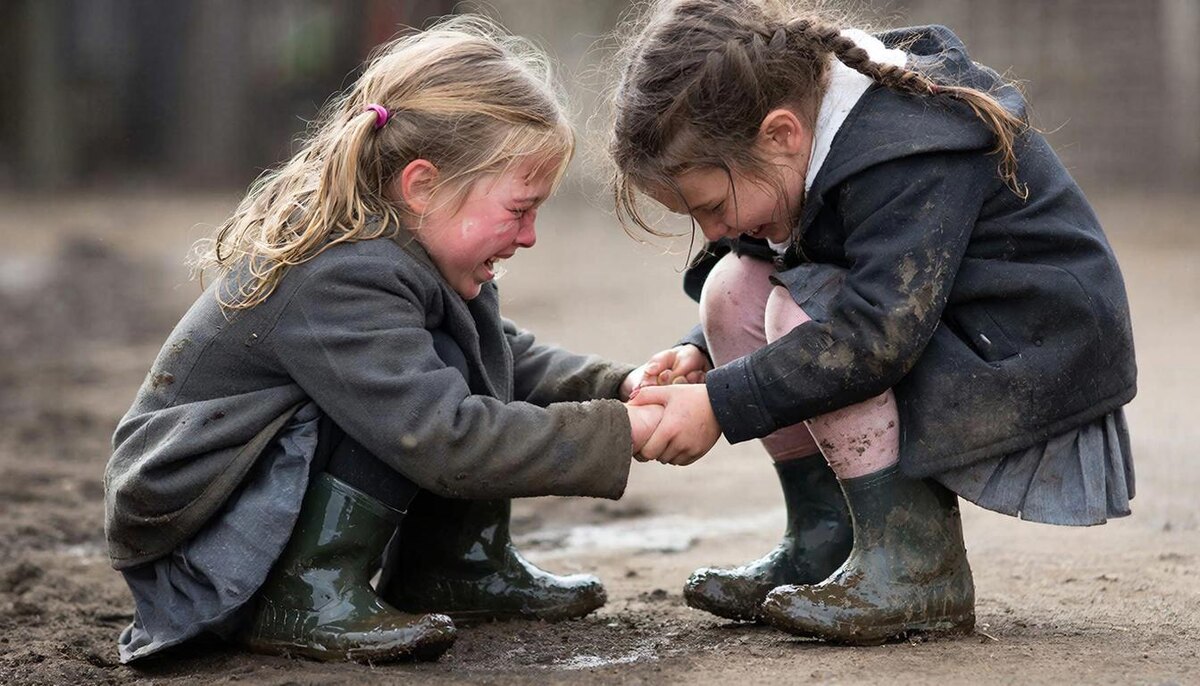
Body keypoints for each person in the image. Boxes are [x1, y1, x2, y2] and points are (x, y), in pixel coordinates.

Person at [104, 17, 666, 665]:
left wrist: (619, 384)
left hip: (243, 497)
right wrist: (624, 432)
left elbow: (499, 352)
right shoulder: (343, 273)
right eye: (519, 209)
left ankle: (457, 566)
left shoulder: (414, 245)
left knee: (447, 357)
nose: (530, 235)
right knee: (411, 408)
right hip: (202, 536)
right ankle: (304, 593)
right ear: (422, 185)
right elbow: (443, 438)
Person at [610, 0, 1136, 644]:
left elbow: (874, 335)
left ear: (780, 134)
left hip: (1031, 349)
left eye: (714, 206)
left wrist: (722, 404)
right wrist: (702, 354)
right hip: (941, 326)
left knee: (800, 309)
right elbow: (815, 270)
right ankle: (826, 541)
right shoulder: (811, 130)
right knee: (731, 290)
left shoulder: (903, 146)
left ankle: (916, 565)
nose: (713, 230)